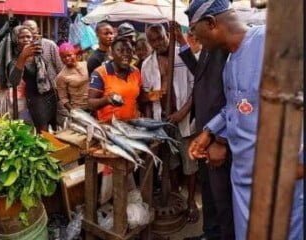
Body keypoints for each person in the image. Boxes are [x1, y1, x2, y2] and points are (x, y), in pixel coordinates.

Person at [185, 1, 302, 239]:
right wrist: (209, 132)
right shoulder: (229, 63)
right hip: (244, 182)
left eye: (196, 33)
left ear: (211, 23)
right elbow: (235, 108)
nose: (196, 41)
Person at [172, 20, 235, 240]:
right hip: (204, 131)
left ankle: (222, 234)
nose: (193, 34)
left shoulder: (225, 50)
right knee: (208, 190)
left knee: (221, 195)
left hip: (217, 134)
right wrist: (182, 43)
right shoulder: (209, 49)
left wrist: (220, 138)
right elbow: (200, 74)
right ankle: (210, 232)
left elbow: (234, 101)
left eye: (195, 27)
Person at [141, 24, 199, 222]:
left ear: (168, 35)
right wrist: (152, 122)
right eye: (153, 41)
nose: (158, 43)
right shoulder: (147, 64)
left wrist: (183, 112)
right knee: (170, 163)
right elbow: (146, 96)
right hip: (163, 121)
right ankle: (175, 195)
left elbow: (196, 87)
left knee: (189, 163)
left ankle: (191, 201)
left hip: (184, 119)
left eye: (161, 38)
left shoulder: (183, 55)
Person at [8, 25, 58, 133]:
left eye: (28, 36)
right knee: (43, 130)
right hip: (35, 99)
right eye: (22, 37)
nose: (26, 39)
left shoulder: (38, 52)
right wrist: (23, 57)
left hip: (50, 94)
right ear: (16, 39)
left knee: (55, 127)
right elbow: (14, 81)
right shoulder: (14, 58)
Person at [22, 20, 66, 127]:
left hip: (53, 91)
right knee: (41, 126)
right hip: (34, 94)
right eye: (26, 29)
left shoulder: (50, 45)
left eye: (32, 28)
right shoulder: (21, 49)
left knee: (57, 123)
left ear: (37, 30)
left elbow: (60, 68)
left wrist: (62, 90)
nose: (29, 32)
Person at [88, 37, 141, 122]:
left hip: (132, 124)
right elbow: (90, 103)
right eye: (120, 50)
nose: (125, 54)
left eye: (129, 50)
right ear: (112, 53)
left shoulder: (135, 71)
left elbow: (138, 98)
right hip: (109, 126)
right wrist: (106, 100)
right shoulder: (101, 73)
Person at [55, 42, 89, 111]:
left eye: (69, 55)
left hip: (94, 107)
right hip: (79, 110)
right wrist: (74, 112)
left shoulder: (86, 65)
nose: (67, 58)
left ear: (75, 54)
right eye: (63, 57)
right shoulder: (61, 76)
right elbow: (63, 99)